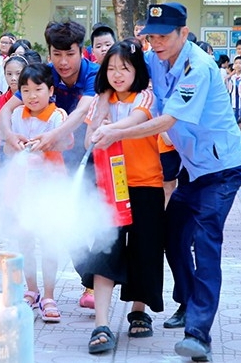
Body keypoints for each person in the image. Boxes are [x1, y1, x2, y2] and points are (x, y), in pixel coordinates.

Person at [90, 3, 241, 362]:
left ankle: (199, 333)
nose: (155, 43)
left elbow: (165, 120)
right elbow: (126, 78)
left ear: (183, 34)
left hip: (221, 172)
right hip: (193, 169)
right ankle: (188, 302)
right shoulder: (156, 61)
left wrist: (114, 130)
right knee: (172, 238)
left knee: (205, 244)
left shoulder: (199, 69)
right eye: (151, 36)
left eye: (163, 36)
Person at [0, 20, 100, 309]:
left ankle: (91, 283)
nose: (63, 62)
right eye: (57, 54)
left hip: (86, 154)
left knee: (86, 221)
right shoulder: (43, 76)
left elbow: (82, 112)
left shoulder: (93, 74)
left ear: (83, 51)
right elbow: (6, 111)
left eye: (70, 54)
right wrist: (10, 137)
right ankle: (86, 284)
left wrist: (52, 135)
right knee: (55, 226)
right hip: (48, 163)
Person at [83, 40, 165, 354]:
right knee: (105, 250)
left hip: (146, 184)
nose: (117, 75)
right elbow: (91, 138)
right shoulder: (100, 100)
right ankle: (101, 325)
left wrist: (112, 127)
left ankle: (138, 310)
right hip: (110, 187)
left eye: (125, 68)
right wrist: (102, 106)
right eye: (112, 68)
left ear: (137, 71)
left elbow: (137, 121)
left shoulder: (146, 96)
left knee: (145, 250)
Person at [6, 63, 73, 323]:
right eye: (26, 90)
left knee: (48, 241)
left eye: (38, 89)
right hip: (23, 186)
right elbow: (9, 151)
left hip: (49, 186)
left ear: (51, 90)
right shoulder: (16, 117)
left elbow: (67, 143)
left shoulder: (58, 116)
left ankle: (48, 295)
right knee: (25, 241)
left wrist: (44, 146)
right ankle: (31, 290)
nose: (32, 95)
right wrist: (17, 146)